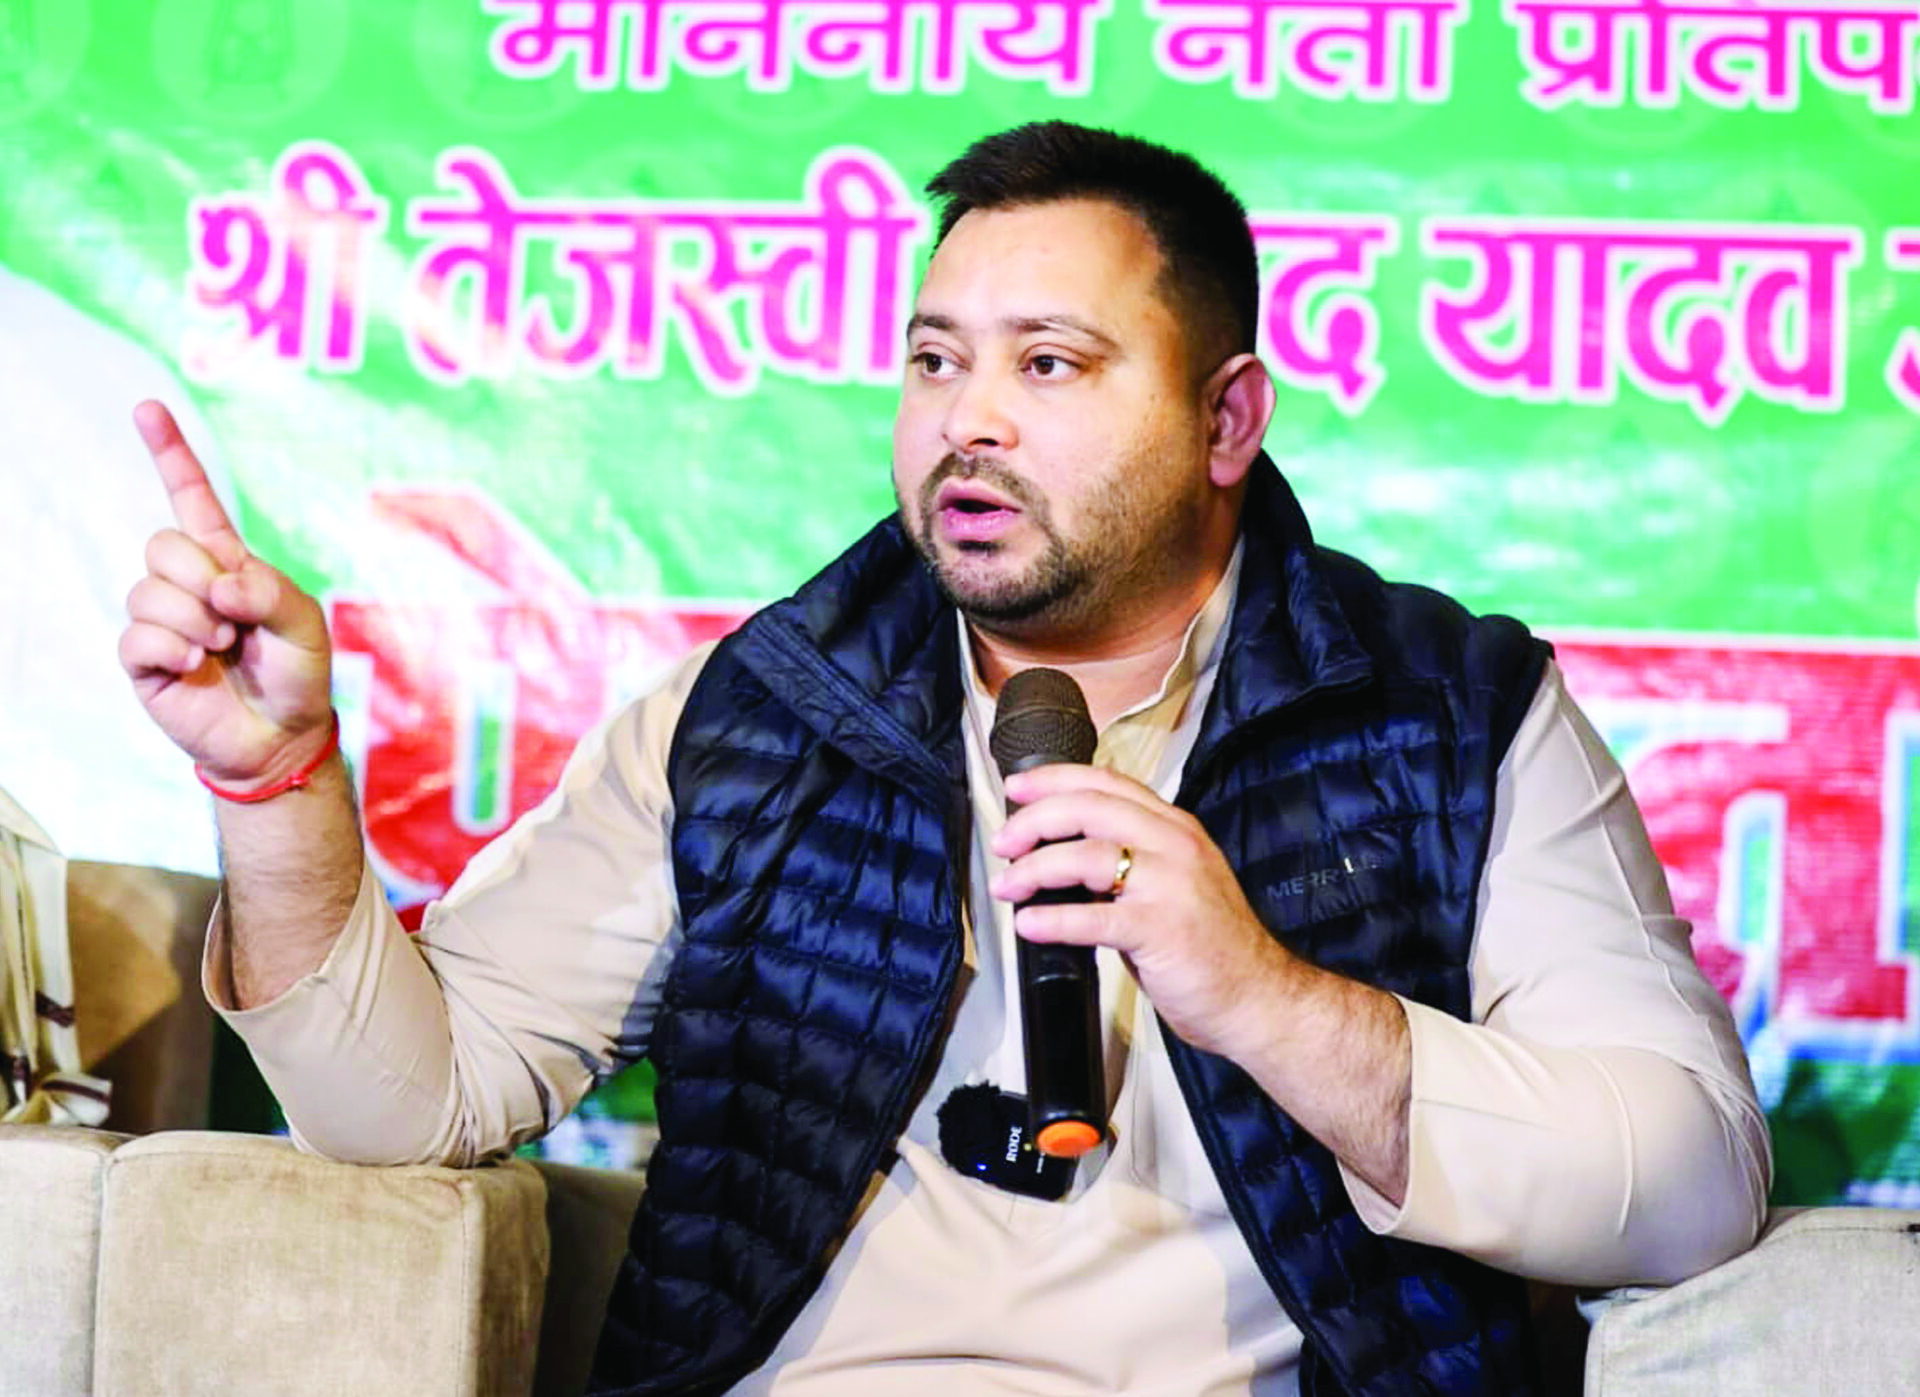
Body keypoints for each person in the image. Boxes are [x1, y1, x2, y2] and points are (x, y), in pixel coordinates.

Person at [119, 122, 1769, 1396]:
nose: (967, 418)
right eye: (934, 359)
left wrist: (1260, 993)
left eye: (1048, 364)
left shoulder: (1451, 713)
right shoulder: (759, 712)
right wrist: (277, 789)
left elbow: (1688, 1183)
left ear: (1228, 421)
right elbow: (413, 1101)